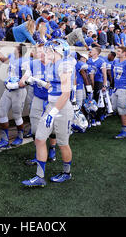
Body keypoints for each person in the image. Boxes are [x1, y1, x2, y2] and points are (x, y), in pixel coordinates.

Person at [22, 39, 75, 187]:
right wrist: (39, 82)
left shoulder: (64, 65)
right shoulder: (52, 65)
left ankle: (66, 173)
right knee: (39, 138)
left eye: (49, 50)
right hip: (51, 106)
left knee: (63, 143)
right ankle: (39, 176)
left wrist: (53, 113)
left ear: (58, 51)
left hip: (61, 108)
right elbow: (53, 86)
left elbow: (65, 94)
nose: (46, 52)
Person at [0, 42, 30, 149]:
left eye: (16, 48)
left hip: (18, 91)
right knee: (2, 112)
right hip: (8, 90)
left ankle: (20, 136)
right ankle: (4, 139)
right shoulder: (12, 56)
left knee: (17, 115)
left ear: (19, 51)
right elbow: (3, 59)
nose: (14, 48)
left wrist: (11, 85)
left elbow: (24, 81)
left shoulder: (25, 62)